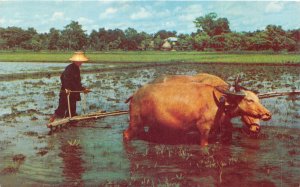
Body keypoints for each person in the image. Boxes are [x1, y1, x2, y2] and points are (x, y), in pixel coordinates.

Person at [49, 51, 91, 122]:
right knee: (61, 109)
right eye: (79, 61)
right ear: (75, 61)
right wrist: (67, 88)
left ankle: (70, 125)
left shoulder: (77, 69)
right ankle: (52, 119)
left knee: (72, 110)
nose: (81, 63)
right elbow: (63, 78)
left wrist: (83, 89)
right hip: (66, 93)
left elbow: (77, 83)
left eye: (81, 61)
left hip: (73, 93)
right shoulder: (69, 68)